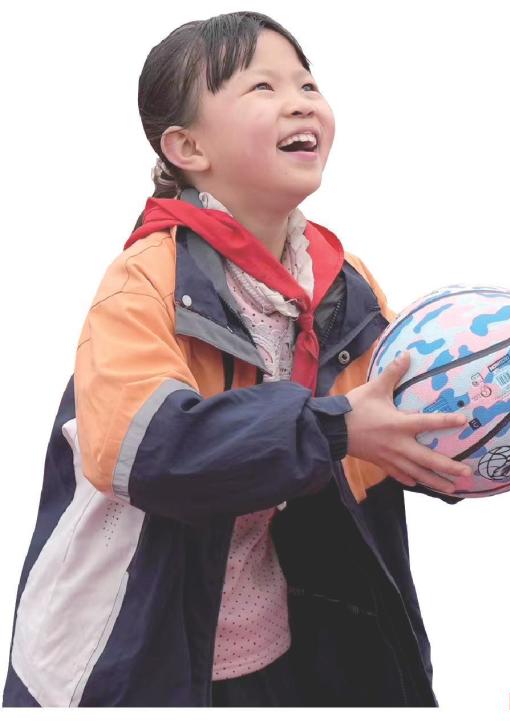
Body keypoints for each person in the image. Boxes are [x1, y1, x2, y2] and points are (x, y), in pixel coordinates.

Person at [2, 11, 472, 708]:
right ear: (188, 146)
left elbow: (378, 439)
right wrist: (334, 427)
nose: (300, 102)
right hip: (129, 653)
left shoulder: (344, 285)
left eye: (307, 83)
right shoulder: (145, 280)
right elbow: (143, 450)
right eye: (262, 87)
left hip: (279, 645)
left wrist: (467, 434)